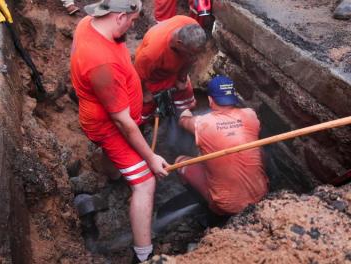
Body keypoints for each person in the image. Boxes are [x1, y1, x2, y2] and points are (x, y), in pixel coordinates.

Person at [70, 0, 169, 262]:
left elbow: (76, 54)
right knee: (146, 182)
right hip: (110, 128)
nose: (133, 26)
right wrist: (151, 159)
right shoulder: (100, 63)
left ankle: (114, 173)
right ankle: (143, 255)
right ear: (119, 16)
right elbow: (123, 123)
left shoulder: (87, 24)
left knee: (117, 160)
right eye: (133, 20)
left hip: (109, 119)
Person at [175, 76, 269, 215]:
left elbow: (183, 120)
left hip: (226, 207)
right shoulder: (251, 115)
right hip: (261, 196)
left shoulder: (201, 124)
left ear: (210, 100)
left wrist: (181, 108)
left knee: (179, 162)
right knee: (256, 148)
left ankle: (206, 206)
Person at [134, 15, 206, 123]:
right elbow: (138, 75)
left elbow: (190, 60)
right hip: (153, 77)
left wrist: (182, 78)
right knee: (145, 109)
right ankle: (148, 123)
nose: (193, 57)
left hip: (174, 72)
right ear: (179, 43)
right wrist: (144, 92)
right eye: (190, 53)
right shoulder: (152, 54)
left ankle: (184, 119)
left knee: (186, 97)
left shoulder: (191, 25)